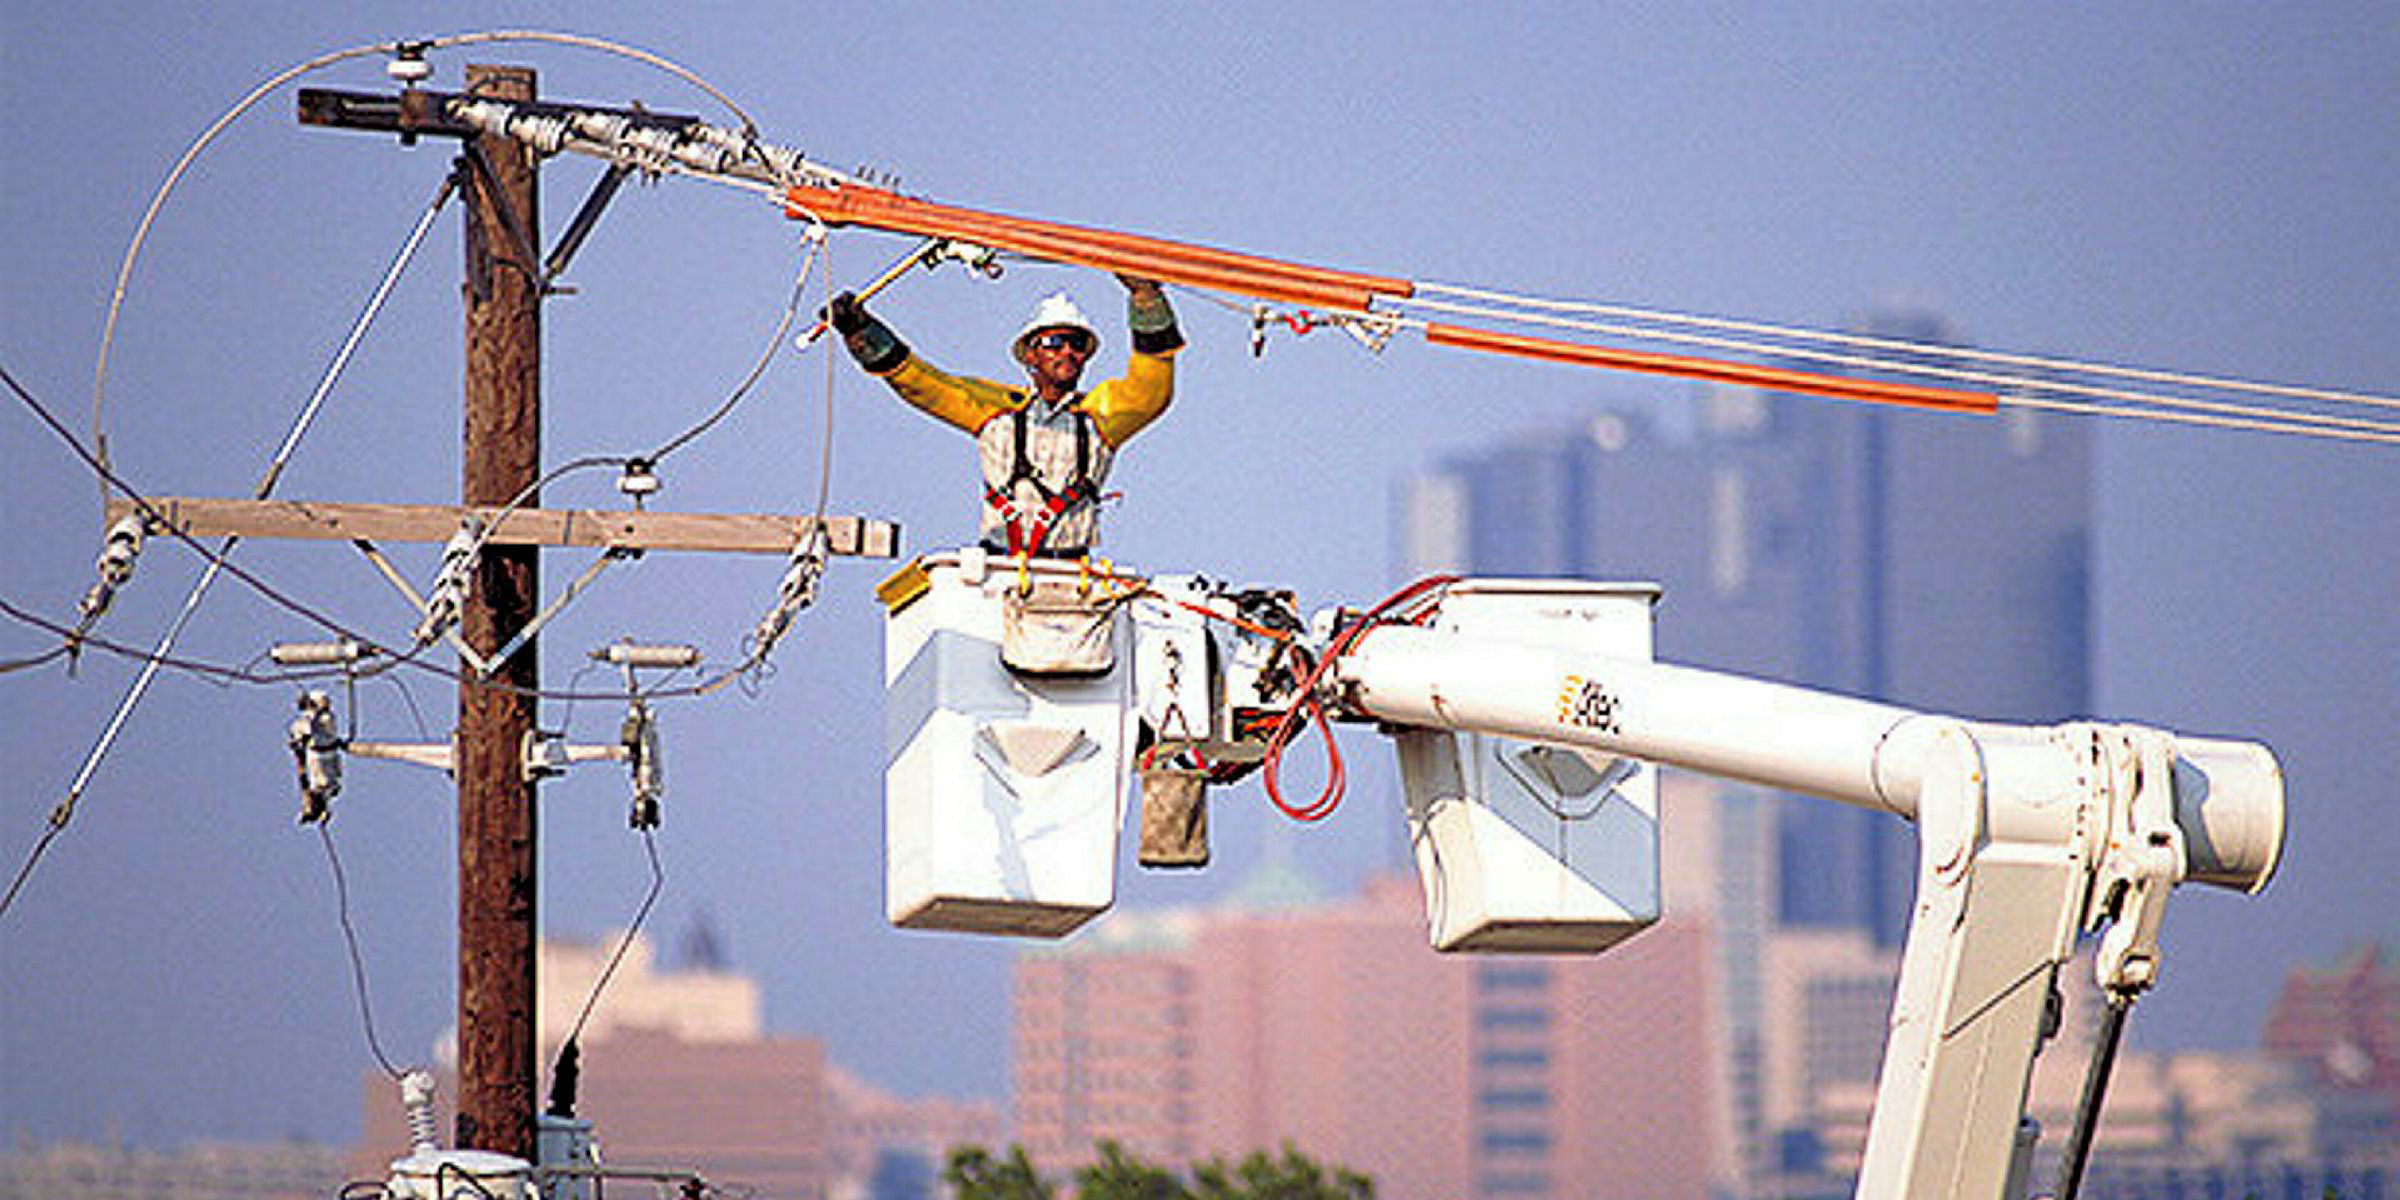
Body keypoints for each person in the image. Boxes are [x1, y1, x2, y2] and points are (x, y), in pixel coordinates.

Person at [827, 276, 1183, 558]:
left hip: (1072, 580)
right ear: (1031, 355)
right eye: (1055, 342)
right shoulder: (997, 413)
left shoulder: (1099, 418)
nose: (1068, 352)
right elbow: (922, 384)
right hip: (1000, 571)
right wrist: (861, 332)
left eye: (1077, 344)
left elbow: (1150, 390)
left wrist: (1146, 299)